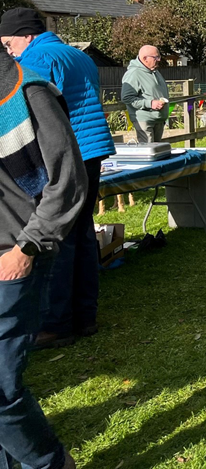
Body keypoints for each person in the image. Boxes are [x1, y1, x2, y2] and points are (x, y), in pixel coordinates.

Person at [0, 7, 115, 349]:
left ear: (26, 36)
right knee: (81, 233)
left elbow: (28, 113)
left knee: (58, 236)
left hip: (66, 153)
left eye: (8, 44)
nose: (9, 52)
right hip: (93, 150)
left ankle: (57, 322)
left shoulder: (35, 61)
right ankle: (85, 315)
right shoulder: (77, 55)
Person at [0, 49, 85, 469]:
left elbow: (68, 180)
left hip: (13, 257)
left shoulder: (27, 91)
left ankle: (51, 464)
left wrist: (26, 249)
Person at [121, 45, 169, 143]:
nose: (159, 60)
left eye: (159, 57)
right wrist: (150, 104)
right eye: (156, 57)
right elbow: (126, 98)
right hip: (145, 121)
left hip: (158, 119)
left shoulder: (155, 72)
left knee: (158, 152)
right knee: (149, 154)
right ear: (145, 58)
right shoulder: (134, 74)